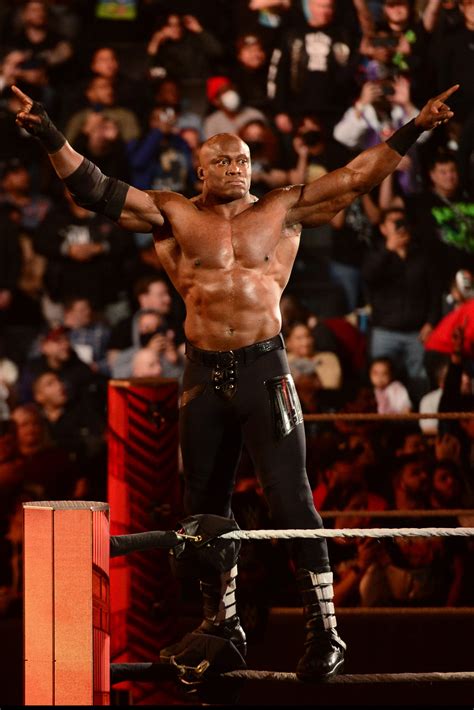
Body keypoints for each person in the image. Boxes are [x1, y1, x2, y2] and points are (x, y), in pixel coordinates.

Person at [11, 80, 458, 682]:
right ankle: (221, 625)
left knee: (292, 498)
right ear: (200, 169)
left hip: (264, 369)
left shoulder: (281, 208)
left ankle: (325, 627)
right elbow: (95, 190)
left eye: (243, 159)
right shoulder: (172, 212)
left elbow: (356, 177)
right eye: (223, 160)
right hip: (202, 373)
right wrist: (49, 135)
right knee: (203, 508)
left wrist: (415, 127)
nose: (236, 168)